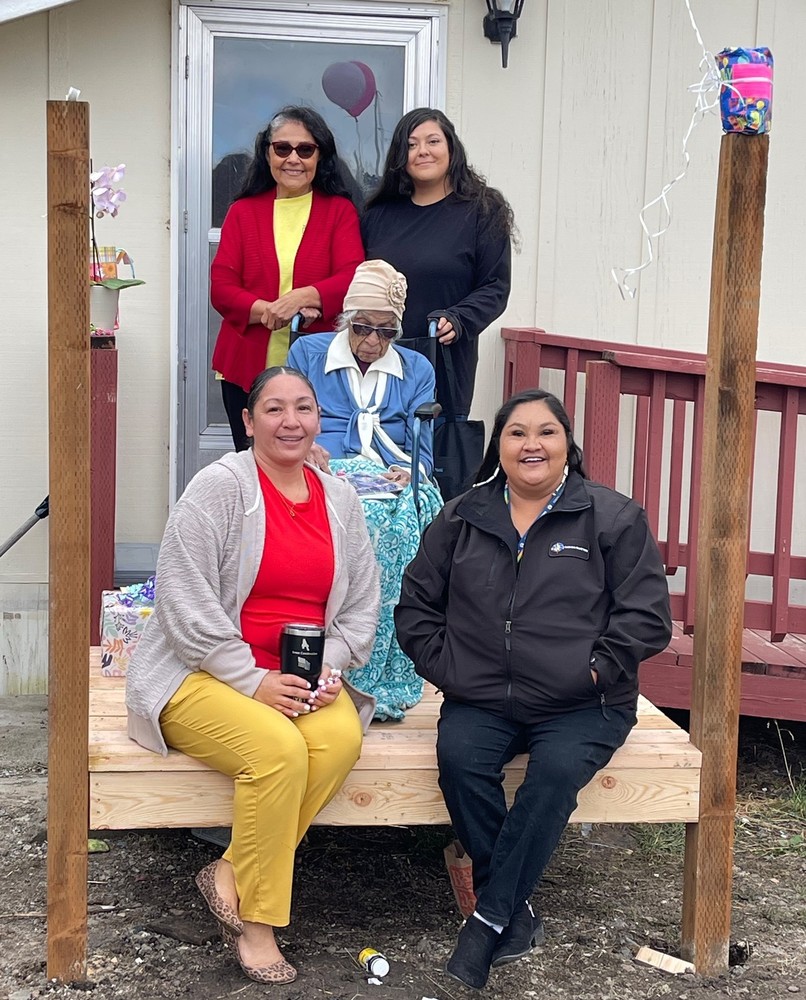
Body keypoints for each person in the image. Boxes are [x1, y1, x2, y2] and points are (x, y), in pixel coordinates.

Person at [395, 388, 672, 989]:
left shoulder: (612, 516)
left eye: (546, 432)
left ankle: (488, 918)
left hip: (584, 701)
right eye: (517, 432)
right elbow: (415, 607)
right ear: (499, 445)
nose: (531, 445)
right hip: (482, 695)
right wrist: (452, 670)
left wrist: (594, 670)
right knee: (460, 761)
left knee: (551, 777)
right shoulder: (462, 516)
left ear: (567, 444)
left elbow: (647, 617)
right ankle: (511, 915)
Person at [125, 367, 380, 985]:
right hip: (200, 670)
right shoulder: (218, 488)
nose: (290, 421)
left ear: (320, 418)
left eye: (304, 408)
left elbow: (361, 604)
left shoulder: (339, 499)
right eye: (273, 409)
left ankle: (229, 872)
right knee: (277, 750)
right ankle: (259, 923)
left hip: (299, 675)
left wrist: (332, 667)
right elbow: (183, 601)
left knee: (341, 737)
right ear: (248, 421)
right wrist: (252, 679)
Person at [287, 259, 443, 719]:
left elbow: (423, 448)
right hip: (323, 468)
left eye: (386, 332)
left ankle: (376, 670)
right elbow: (290, 417)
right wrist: (306, 447)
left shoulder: (416, 368)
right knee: (343, 519)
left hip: (388, 473)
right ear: (344, 321)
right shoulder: (310, 354)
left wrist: (411, 470)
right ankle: (324, 658)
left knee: (396, 523)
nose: (373, 341)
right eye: (362, 328)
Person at [211, 105, 364, 451]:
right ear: (267, 154)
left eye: (305, 149)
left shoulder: (339, 211)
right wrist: (269, 309)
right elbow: (221, 287)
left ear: (319, 157)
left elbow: (351, 277)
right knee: (252, 468)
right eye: (282, 148)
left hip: (317, 366)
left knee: (311, 466)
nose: (293, 158)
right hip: (244, 365)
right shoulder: (242, 211)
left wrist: (303, 297)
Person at [361, 107, 514, 419]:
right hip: (377, 358)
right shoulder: (378, 214)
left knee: (437, 460)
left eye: (433, 141)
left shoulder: (483, 209)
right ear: (400, 155)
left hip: (443, 360)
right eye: (412, 144)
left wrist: (459, 319)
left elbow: (495, 286)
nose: (422, 152)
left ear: (451, 148)